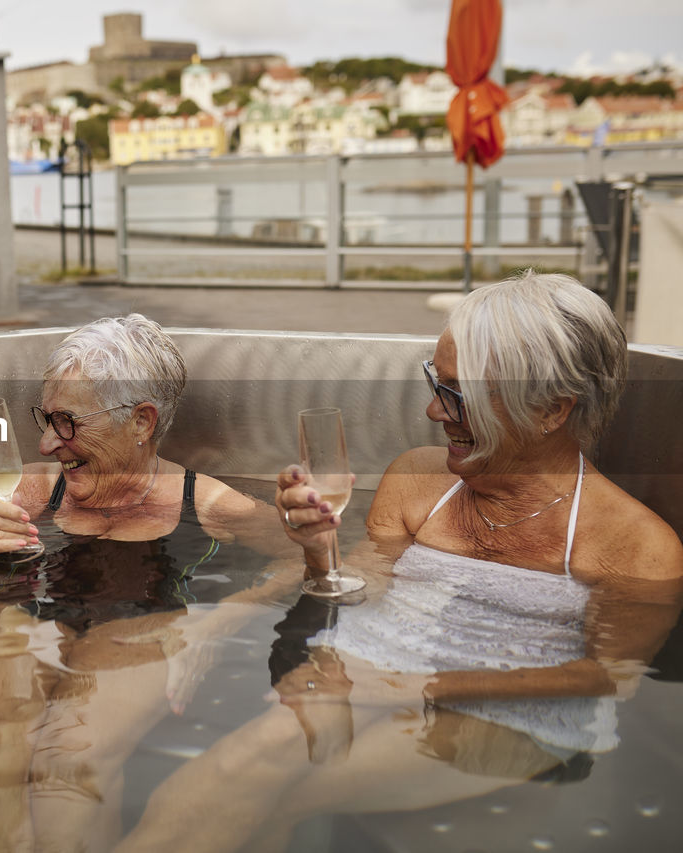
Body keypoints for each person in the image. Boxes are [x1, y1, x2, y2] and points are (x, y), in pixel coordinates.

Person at [114, 272, 683, 852]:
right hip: (376, 668)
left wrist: (420, 686)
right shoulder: (418, 478)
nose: (435, 411)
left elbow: (610, 677)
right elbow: (360, 587)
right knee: (237, 770)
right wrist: (315, 552)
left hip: (517, 711)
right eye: (437, 382)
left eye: (458, 393)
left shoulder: (635, 544)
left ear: (551, 410)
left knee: (263, 785)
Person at [0, 314, 298, 851]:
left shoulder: (206, 505)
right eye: (45, 418)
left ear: (141, 421)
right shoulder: (35, 491)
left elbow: (308, 560)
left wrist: (221, 618)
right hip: (37, 628)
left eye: (67, 422)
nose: (45, 444)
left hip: (139, 631)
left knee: (70, 760)